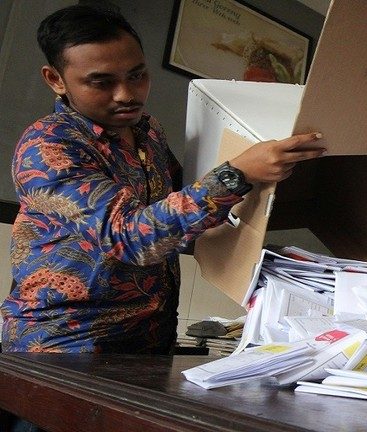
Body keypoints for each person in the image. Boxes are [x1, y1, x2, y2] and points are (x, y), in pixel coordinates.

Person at [0, 5, 325, 354]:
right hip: (65, 344)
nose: (126, 94)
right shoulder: (47, 146)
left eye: (137, 75)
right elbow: (130, 238)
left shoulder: (147, 130)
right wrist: (237, 174)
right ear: (55, 79)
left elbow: (178, 208)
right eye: (102, 82)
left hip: (153, 336)